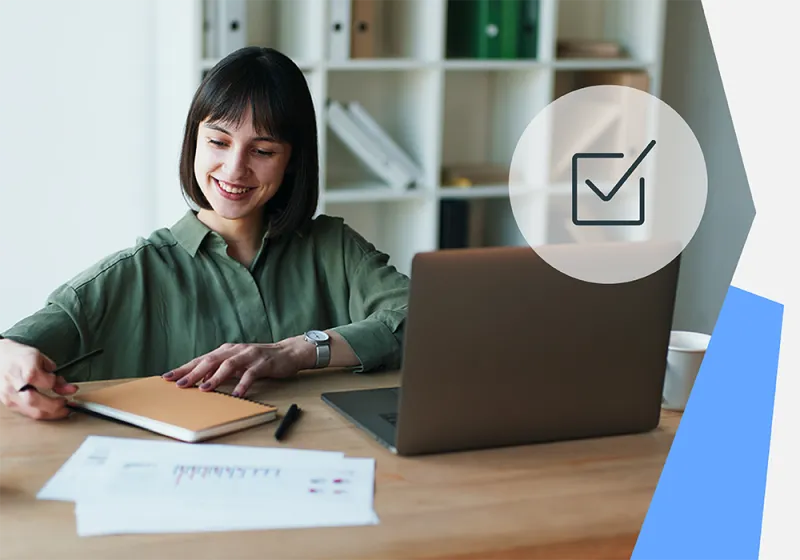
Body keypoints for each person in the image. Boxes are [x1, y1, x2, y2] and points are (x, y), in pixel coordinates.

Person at [0, 46, 409, 421]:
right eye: (218, 141)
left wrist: (296, 351)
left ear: (292, 162)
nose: (234, 169)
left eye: (262, 151)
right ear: (194, 142)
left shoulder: (334, 247)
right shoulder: (131, 274)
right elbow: (11, 349)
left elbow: (422, 323)